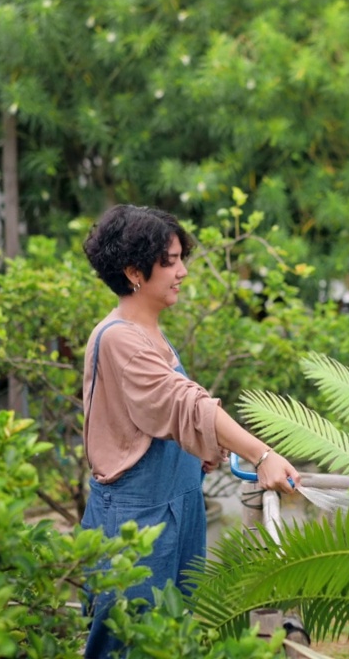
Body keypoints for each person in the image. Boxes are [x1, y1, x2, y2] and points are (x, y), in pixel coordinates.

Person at [80, 204, 300, 659]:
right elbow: (185, 404)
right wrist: (262, 454)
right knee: (129, 643)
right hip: (137, 518)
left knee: (173, 638)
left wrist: (202, 451)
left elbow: (162, 417)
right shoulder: (119, 337)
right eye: (171, 261)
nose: (182, 272)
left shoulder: (151, 334)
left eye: (182, 258)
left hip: (177, 505)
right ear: (134, 271)